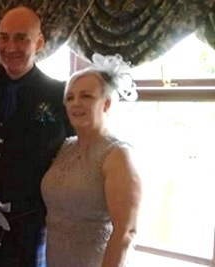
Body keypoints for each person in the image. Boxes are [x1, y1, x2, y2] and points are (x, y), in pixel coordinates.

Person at [0, 5, 73, 267]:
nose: (10, 47)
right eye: (4, 36)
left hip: (29, 228)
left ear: (39, 42)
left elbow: (76, 154)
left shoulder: (60, 94)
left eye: (21, 38)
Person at [41, 53, 142, 267]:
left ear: (106, 104)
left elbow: (125, 232)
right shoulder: (66, 146)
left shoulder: (117, 155)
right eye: (70, 97)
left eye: (86, 96)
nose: (75, 103)